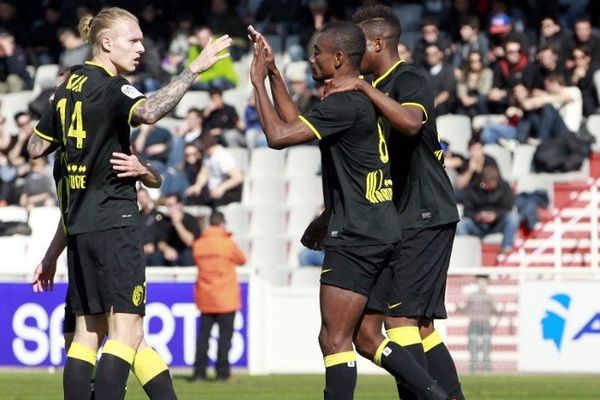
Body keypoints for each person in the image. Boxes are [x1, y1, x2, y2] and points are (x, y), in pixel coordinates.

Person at [27, 7, 231, 399]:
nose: (141, 48)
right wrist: (195, 69)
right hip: (114, 224)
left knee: (89, 334)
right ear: (106, 43)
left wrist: (72, 133)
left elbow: (36, 146)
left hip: (80, 231)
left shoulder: (67, 87)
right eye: (133, 40)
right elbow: (151, 110)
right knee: (127, 333)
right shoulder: (112, 86)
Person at [248, 22, 446, 400]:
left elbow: (278, 136)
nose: (311, 58)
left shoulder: (345, 102)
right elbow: (294, 123)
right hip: (382, 229)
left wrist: (257, 83)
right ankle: (434, 394)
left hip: (357, 234)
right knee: (368, 339)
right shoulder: (357, 101)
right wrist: (273, 71)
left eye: (317, 52)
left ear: (338, 58)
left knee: (333, 339)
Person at [323, 5, 464, 399]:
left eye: (359, 45)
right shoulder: (375, 87)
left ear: (379, 43)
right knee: (415, 327)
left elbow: (411, 123)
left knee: (399, 319)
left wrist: (365, 88)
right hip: (402, 216)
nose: (352, 53)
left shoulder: (407, 78)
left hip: (423, 211)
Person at [191, 210, 246, 381]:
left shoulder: (199, 243)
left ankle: (199, 372)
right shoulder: (227, 243)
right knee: (224, 338)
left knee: (203, 337)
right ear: (222, 223)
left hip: (206, 296)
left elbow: (196, 259)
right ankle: (222, 373)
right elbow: (242, 259)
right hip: (225, 297)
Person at [457, 164, 520, 255]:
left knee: (513, 217)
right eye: (486, 183)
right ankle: (467, 252)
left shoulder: (504, 187)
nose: (489, 186)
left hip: (497, 224)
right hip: (477, 225)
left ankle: (506, 248)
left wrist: (495, 215)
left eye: (491, 183)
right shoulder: (473, 188)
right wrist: (477, 217)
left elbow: (508, 208)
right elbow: (467, 211)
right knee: (461, 225)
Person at [156, 193, 201, 266]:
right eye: (167, 206)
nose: (168, 209)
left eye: (170, 205)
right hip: (171, 252)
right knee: (156, 256)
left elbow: (190, 242)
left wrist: (177, 223)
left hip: (187, 252)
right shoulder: (164, 220)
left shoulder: (190, 219)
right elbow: (160, 242)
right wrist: (167, 249)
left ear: (180, 205)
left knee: (187, 255)